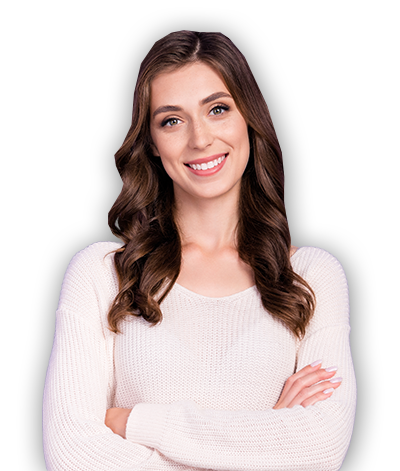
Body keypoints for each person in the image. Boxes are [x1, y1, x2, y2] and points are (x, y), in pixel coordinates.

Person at [43, 31, 357, 470]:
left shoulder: (311, 275)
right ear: (152, 142)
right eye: (172, 120)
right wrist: (264, 438)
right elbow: (72, 456)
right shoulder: (101, 274)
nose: (200, 139)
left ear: (248, 116)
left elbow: (320, 449)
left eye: (218, 109)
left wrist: (136, 422)